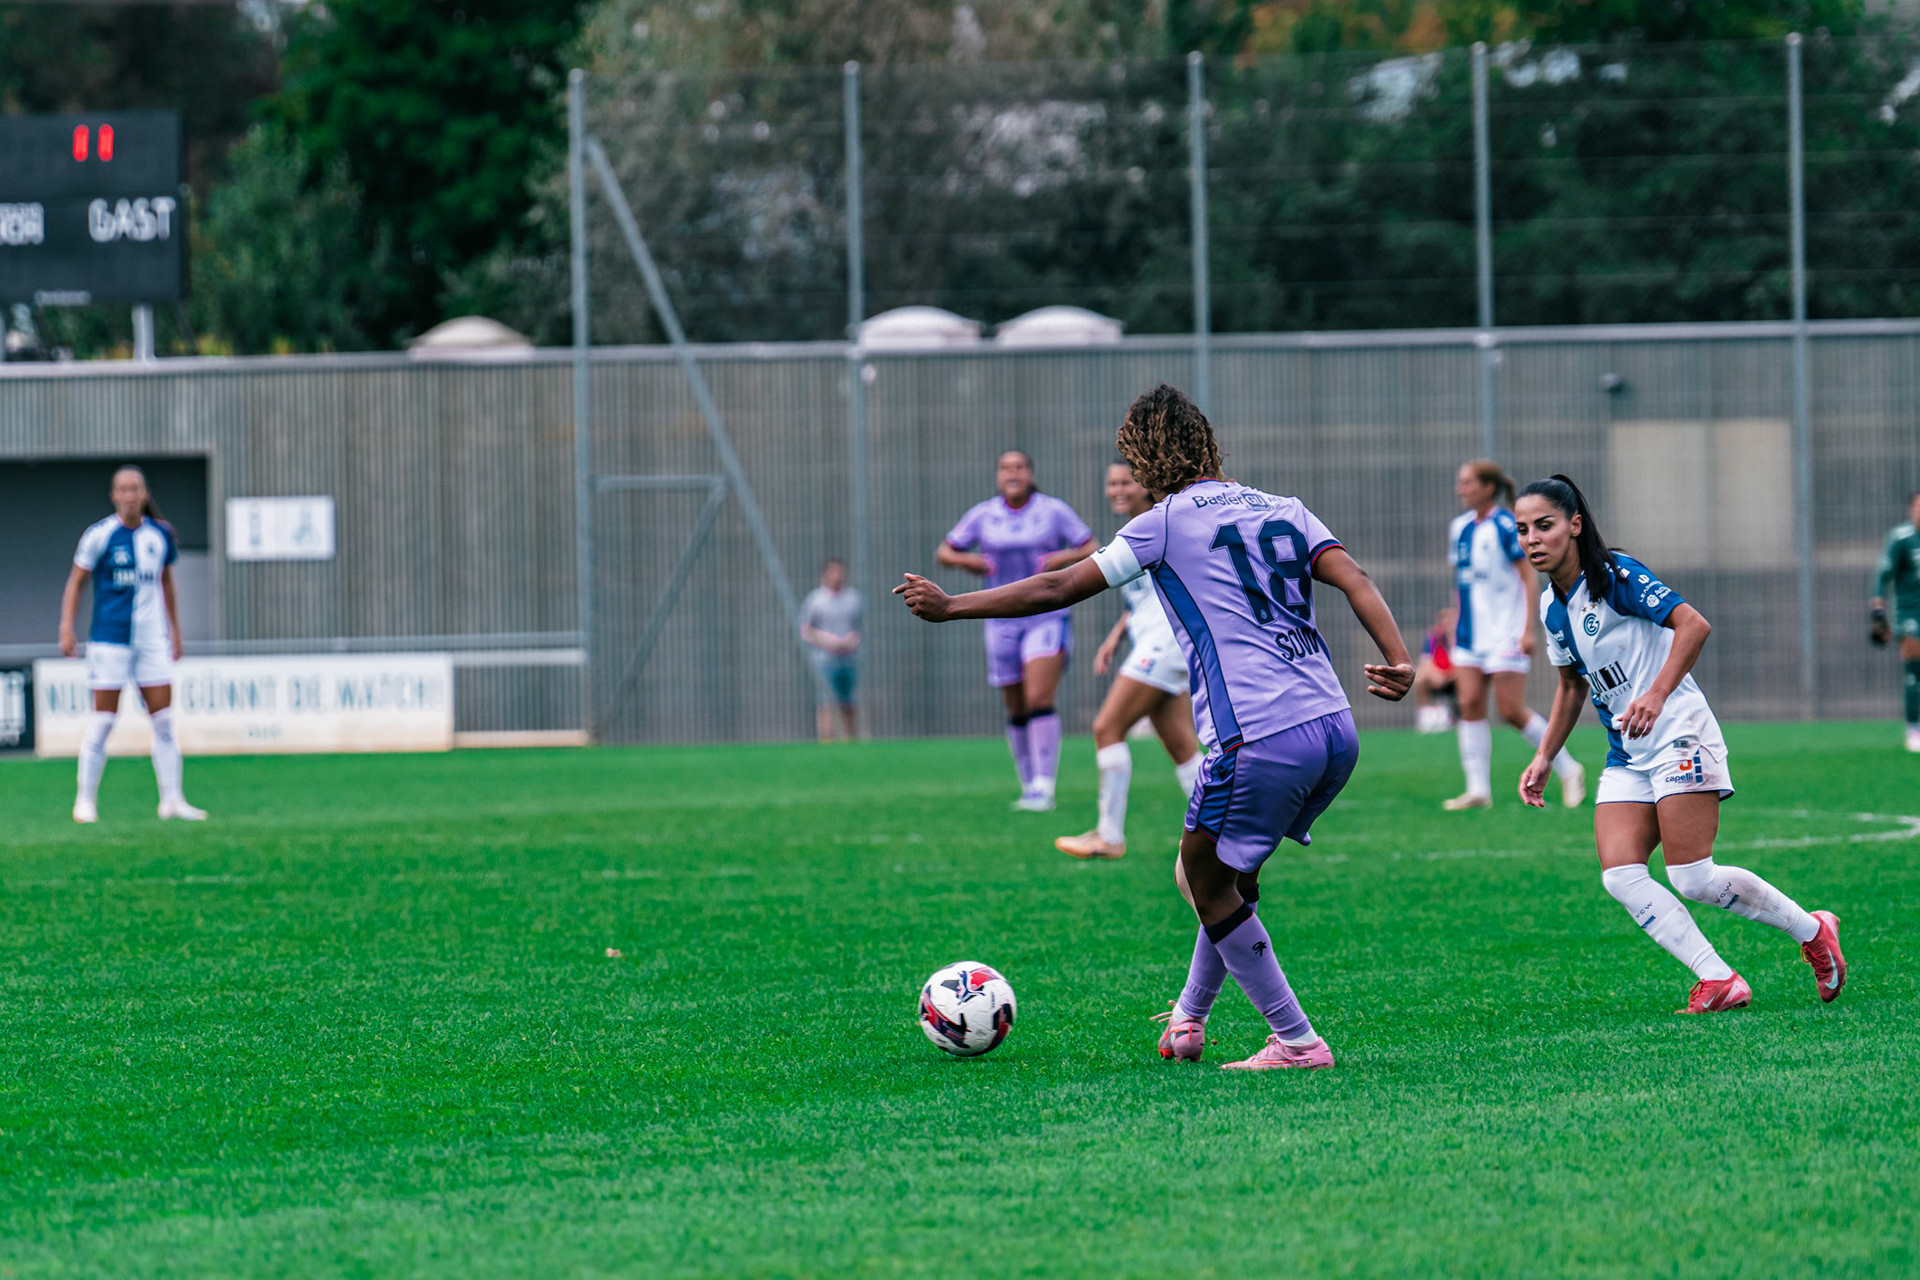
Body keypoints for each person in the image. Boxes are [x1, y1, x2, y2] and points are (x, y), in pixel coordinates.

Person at [899, 385, 1414, 1070]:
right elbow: (1353, 577)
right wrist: (1400, 660)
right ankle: (1190, 1019)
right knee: (1217, 877)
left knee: (1204, 880)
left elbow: (1058, 587)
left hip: (1259, 733)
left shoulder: (1163, 521)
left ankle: (1296, 1041)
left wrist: (952, 605)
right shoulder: (1283, 506)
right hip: (1332, 724)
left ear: (1149, 456)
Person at [1515, 475, 1844, 1014]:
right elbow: (1572, 685)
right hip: (1628, 752)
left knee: (1692, 876)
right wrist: (1546, 754)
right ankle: (1718, 978)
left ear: (1574, 526)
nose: (1533, 539)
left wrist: (1655, 695)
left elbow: (1693, 625)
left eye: (1544, 526)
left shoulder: (1616, 576)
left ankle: (1813, 931)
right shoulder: (1554, 608)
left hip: (1678, 733)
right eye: (1524, 530)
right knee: (1621, 874)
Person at [1054, 461, 1204, 861]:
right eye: (1111, 483)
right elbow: (1148, 594)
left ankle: (1109, 836)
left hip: (1164, 644)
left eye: (1125, 482)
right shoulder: (1137, 529)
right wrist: (1117, 634)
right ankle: (1222, 829)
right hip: (1156, 642)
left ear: (1146, 485)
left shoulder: (1160, 524)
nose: (1116, 489)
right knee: (1181, 746)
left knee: (1107, 727)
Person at [938, 450, 1095, 811]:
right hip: (1000, 618)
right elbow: (945, 551)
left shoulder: (1052, 510)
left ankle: (1044, 785)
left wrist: (1064, 558)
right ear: (998, 475)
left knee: (1039, 696)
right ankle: (1028, 785)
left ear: (1030, 473)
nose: (1014, 473)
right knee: (1015, 703)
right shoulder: (984, 514)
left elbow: (1089, 545)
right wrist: (968, 561)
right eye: (1006, 468)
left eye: (1020, 467)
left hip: (1045, 614)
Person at [56, 465, 206, 824]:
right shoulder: (99, 535)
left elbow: (166, 583)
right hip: (109, 642)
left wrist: (176, 631)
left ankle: (172, 800)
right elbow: (76, 581)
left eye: (135, 488)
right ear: (114, 495)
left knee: (165, 722)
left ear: (144, 494)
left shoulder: (160, 535)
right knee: (103, 722)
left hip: (151, 642)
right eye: (123, 489)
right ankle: (85, 801)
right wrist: (66, 626)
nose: (130, 495)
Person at [1445, 459, 1585, 810]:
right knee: (1470, 705)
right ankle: (1478, 789)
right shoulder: (1460, 528)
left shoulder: (1509, 525)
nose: (1461, 488)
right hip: (1469, 634)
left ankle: (1568, 768)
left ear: (1488, 487)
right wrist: (1452, 623)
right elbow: (1461, 583)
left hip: (1505, 632)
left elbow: (1527, 577)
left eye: (1468, 482)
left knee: (1510, 710)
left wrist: (1527, 630)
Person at [1869, 489, 1920, 753]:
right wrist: (1878, 609)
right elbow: (1884, 572)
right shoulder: (1901, 538)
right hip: (1911, 613)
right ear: (1911, 509)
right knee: (1915, 667)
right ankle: (1913, 729)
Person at [799, 558, 862, 742]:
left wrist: (852, 640)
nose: (837, 576)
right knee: (825, 702)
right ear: (825, 575)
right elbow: (806, 630)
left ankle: (851, 742)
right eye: (833, 572)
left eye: (840, 572)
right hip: (825, 659)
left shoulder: (853, 598)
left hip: (848, 659)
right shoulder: (815, 600)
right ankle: (826, 741)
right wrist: (829, 641)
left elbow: (859, 627)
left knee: (848, 702)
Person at [1412, 605, 1458, 733]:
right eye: (1445, 619)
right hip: (1438, 677)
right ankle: (1425, 716)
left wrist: (1451, 675)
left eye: (1452, 619)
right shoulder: (1434, 637)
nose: (1449, 622)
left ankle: (1467, 718)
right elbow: (1425, 661)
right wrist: (1436, 674)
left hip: (1458, 678)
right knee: (1420, 676)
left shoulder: (1463, 636)